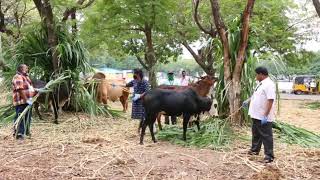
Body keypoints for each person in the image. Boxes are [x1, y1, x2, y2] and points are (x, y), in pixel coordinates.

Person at [243, 66, 276, 163]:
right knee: (256, 134)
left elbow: (270, 100)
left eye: (257, 74)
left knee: (266, 135)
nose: (256, 76)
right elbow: (255, 95)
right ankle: (254, 150)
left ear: (261, 74)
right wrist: (248, 100)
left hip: (263, 115)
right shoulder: (260, 84)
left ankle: (269, 156)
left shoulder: (269, 84)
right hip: (256, 114)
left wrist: (266, 115)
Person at [12, 64, 36, 140]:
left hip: (28, 101)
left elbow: (30, 89)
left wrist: (36, 92)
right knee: (20, 117)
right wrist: (26, 100)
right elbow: (19, 89)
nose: (27, 69)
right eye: (26, 68)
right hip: (21, 101)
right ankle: (19, 134)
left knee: (27, 117)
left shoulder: (27, 78)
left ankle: (25, 132)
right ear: (22, 69)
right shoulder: (18, 77)